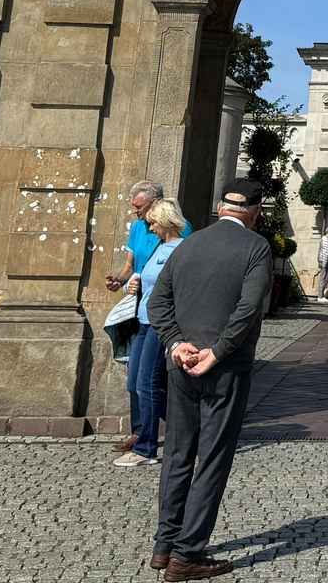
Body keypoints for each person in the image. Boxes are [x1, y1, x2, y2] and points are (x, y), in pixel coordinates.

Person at [147, 178, 273, 580]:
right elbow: (249, 309)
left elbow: (157, 303)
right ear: (254, 211)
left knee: (177, 455)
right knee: (213, 458)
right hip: (224, 369)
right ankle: (187, 555)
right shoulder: (256, 248)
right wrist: (216, 352)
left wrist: (176, 344)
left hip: (181, 365)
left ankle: (164, 545)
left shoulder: (187, 244)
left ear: (221, 207)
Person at [115, 198, 187, 468]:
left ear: (166, 221)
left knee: (148, 383)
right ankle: (190, 429)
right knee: (136, 382)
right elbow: (144, 278)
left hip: (161, 325)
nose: (151, 228)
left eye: (154, 222)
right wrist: (129, 286)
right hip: (144, 321)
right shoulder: (160, 246)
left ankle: (146, 447)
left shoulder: (181, 249)